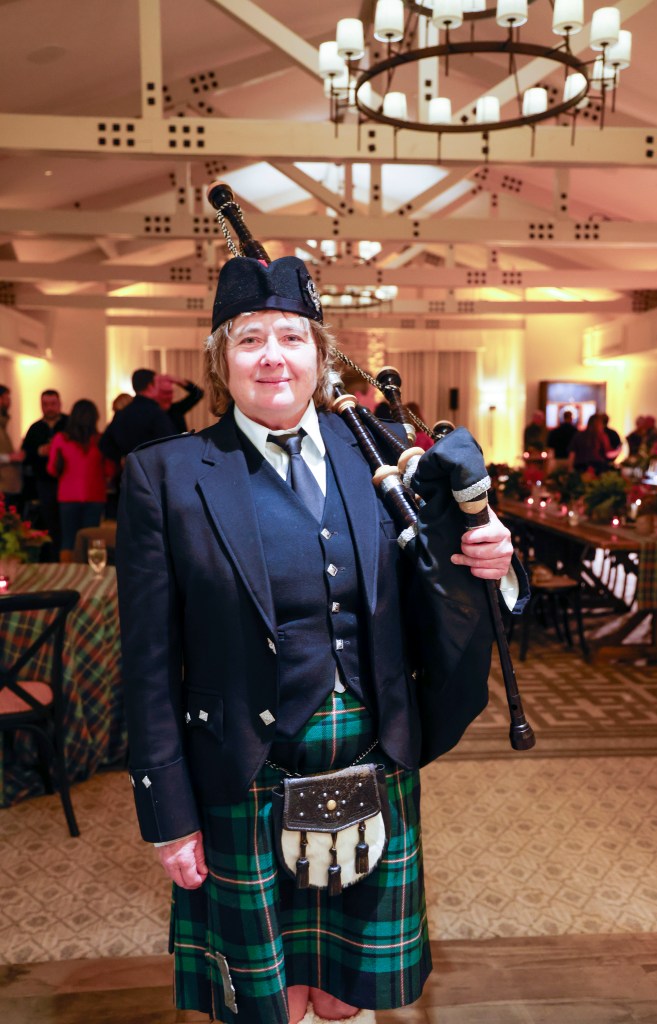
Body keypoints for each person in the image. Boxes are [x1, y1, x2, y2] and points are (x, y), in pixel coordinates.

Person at [117, 255, 519, 1024]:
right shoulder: (164, 476)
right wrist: (168, 814)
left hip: (374, 759)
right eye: (249, 340)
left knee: (344, 994)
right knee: (271, 998)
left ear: (320, 355)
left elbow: (448, 585)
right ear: (220, 362)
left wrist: (494, 559)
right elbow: (148, 663)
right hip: (242, 774)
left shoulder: (384, 455)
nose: (272, 356)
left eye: (291, 337)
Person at [47, 399, 113, 560]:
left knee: (68, 539)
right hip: (95, 495)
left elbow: (52, 469)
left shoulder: (61, 439)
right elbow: (109, 470)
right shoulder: (100, 441)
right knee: (92, 539)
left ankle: (68, 572)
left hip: (68, 496)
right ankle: (91, 572)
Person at [21, 389, 68, 557]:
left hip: (66, 481)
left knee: (67, 522)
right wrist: (39, 451)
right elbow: (25, 455)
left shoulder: (69, 424)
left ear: (59, 404)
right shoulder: (35, 428)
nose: (49, 408)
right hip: (44, 482)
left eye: (53, 404)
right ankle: (52, 557)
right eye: (45, 404)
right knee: (49, 521)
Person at [99, 369, 175, 464]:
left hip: (131, 469)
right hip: (153, 469)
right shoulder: (156, 413)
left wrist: (123, 458)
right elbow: (170, 444)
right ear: (150, 386)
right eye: (157, 384)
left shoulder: (122, 413)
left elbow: (104, 444)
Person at [0, 385, 25, 508]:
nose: (9, 402)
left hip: (10, 484)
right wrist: (10, 458)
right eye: (7, 398)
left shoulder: (3, 426)